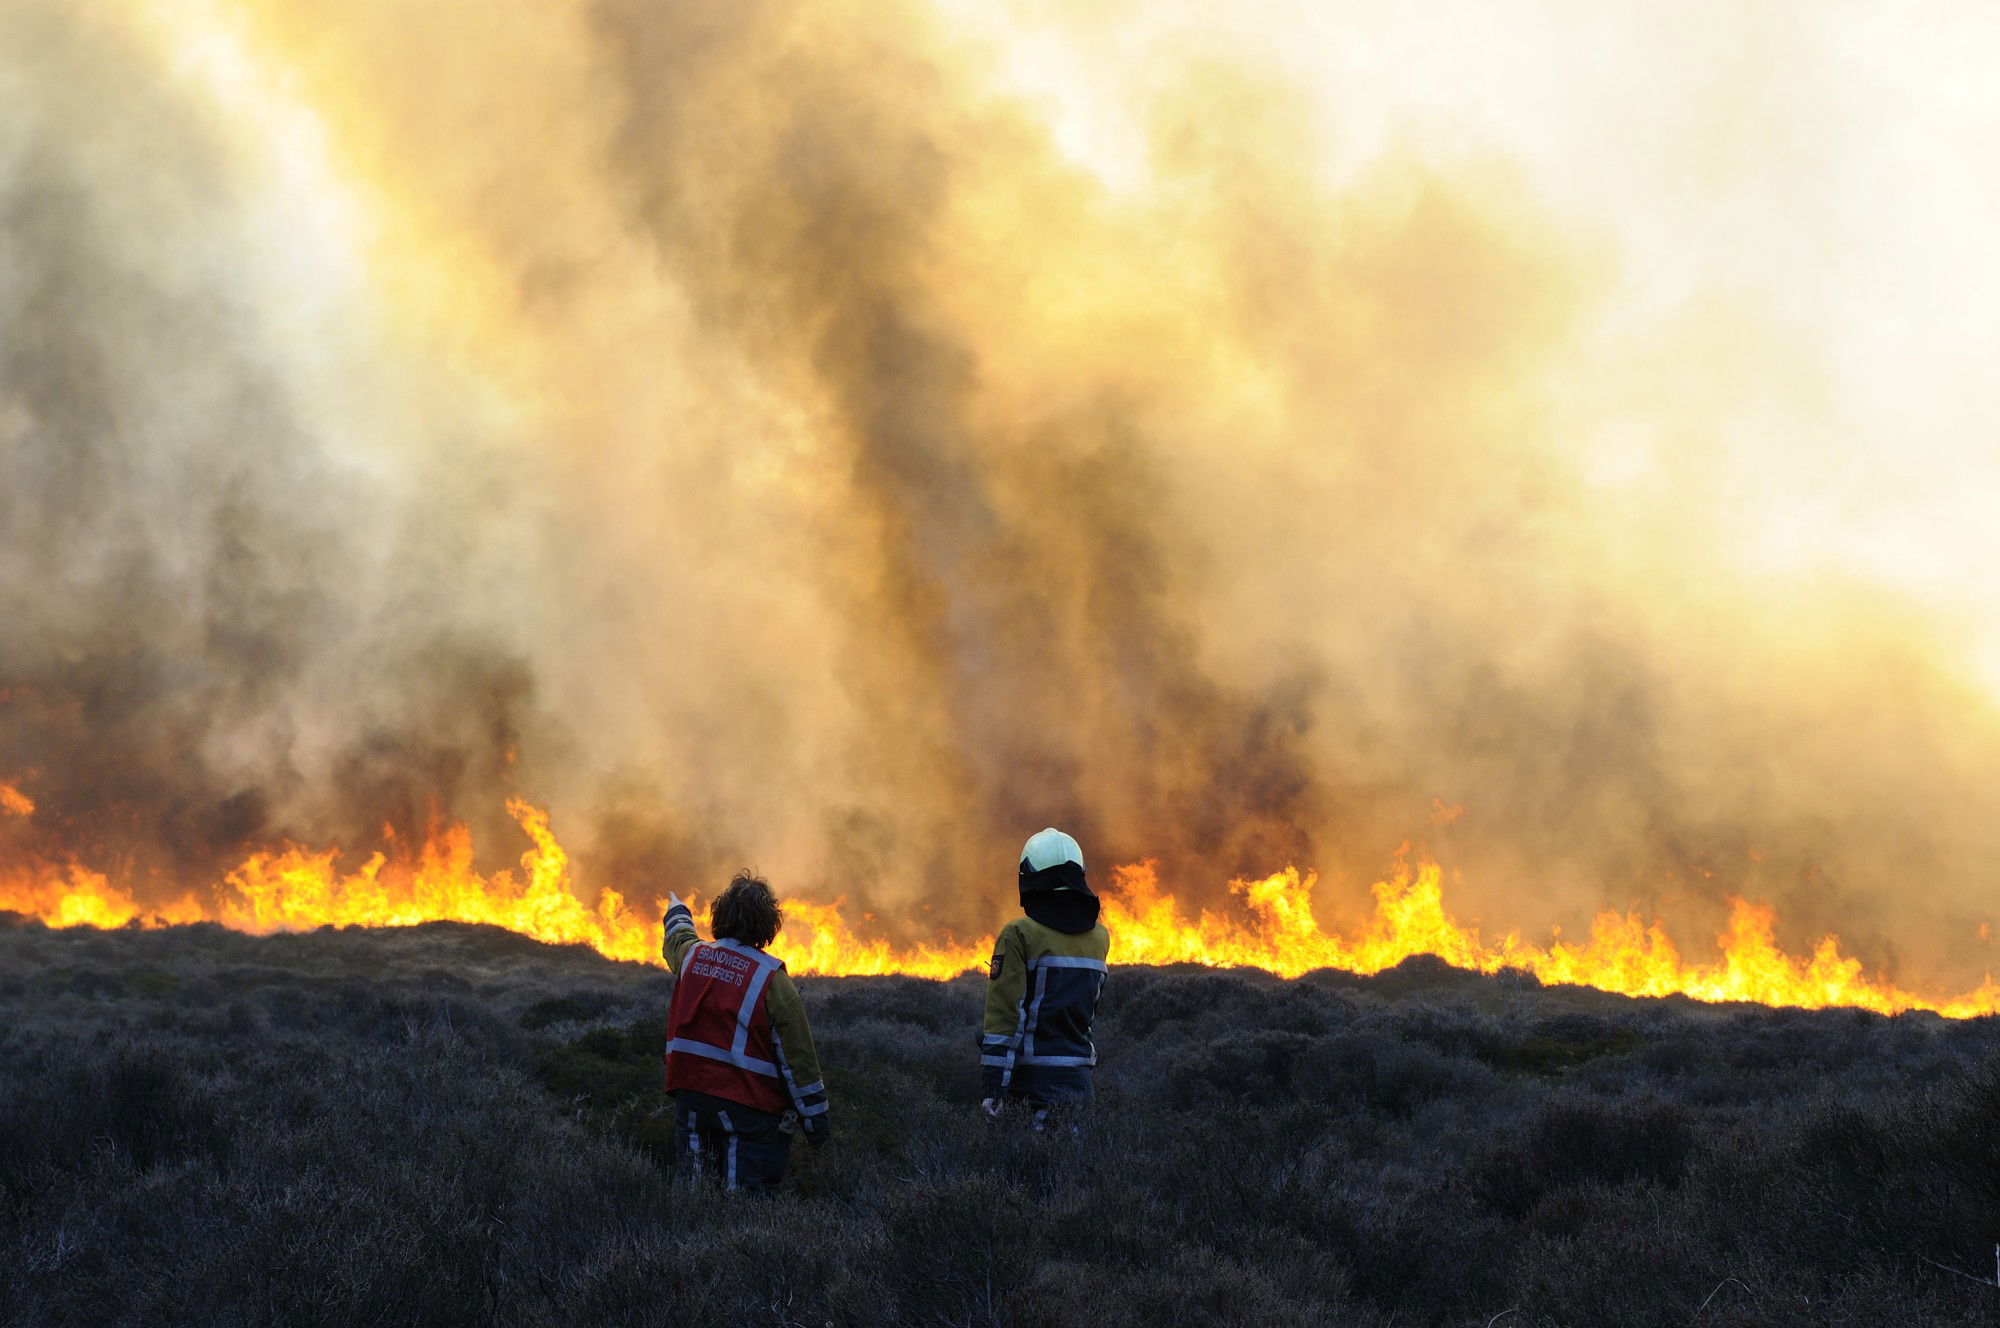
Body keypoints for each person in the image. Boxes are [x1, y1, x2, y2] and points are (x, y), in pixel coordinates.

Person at [661, 872, 830, 1192]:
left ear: (719, 915)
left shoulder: (693, 957)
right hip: (749, 1110)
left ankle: (687, 1241)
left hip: (693, 1100)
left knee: (693, 1198)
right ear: (768, 925)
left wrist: (676, 911)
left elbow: (678, 940)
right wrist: (816, 1125)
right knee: (745, 1202)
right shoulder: (772, 980)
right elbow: (799, 1061)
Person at [979, 827, 1111, 1129]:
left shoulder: (1019, 934)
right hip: (1080, 1083)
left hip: (1031, 1089)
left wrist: (992, 1089)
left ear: (1029, 876)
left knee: (1026, 1174)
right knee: (1074, 1171)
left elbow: (1005, 1018)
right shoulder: (1100, 937)